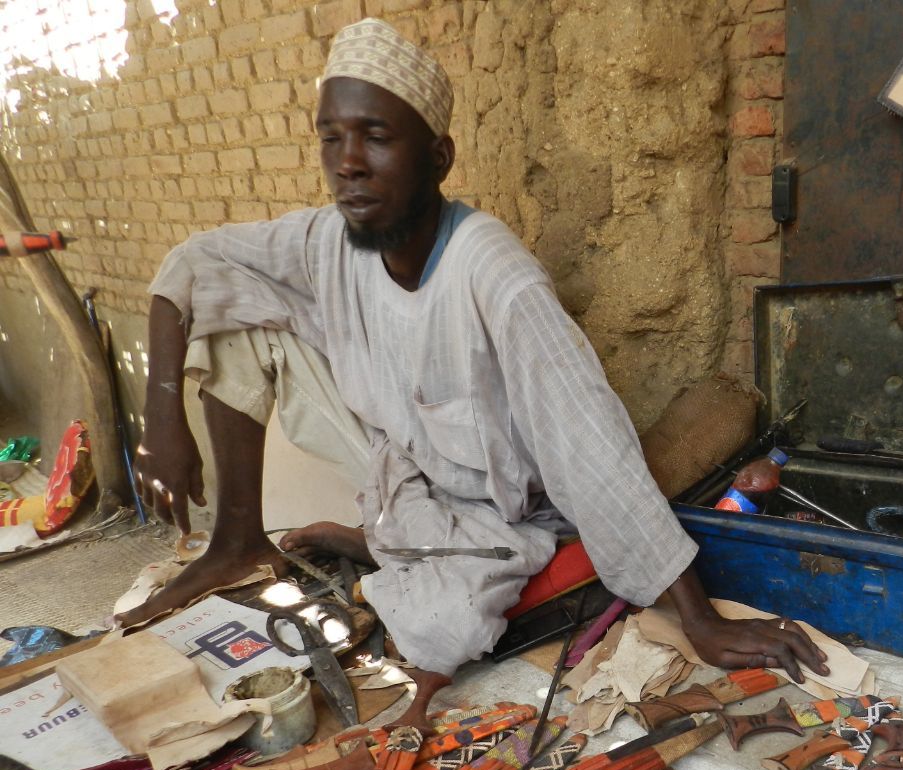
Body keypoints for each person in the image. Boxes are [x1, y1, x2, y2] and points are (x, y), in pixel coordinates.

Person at [123, 17, 827, 683]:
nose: (348, 165)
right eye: (331, 138)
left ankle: (379, 542)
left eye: (375, 137)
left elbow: (592, 446)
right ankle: (235, 541)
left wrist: (699, 620)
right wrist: (162, 413)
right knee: (238, 311)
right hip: (399, 454)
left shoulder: (495, 276)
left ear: (439, 156)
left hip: (495, 504)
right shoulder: (327, 242)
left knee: (441, 631)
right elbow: (194, 265)